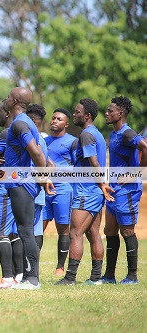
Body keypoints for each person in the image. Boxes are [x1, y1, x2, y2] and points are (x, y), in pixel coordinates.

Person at [56, 98, 113, 286]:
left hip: (85, 191)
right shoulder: (95, 133)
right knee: (94, 233)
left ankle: (70, 277)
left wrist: (102, 184)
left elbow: (94, 162)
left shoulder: (87, 135)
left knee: (75, 233)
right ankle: (96, 278)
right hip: (94, 192)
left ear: (87, 115)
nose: (74, 114)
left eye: (77, 112)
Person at [4, 87, 49, 290]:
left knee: (25, 231)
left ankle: (32, 279)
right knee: (25, 230)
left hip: (21, 182)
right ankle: (27, 279)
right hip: (21, 181)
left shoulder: (20, 123)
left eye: (8, 97)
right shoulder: (26, 122)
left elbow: (37, 153)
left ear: (14, 101)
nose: (5, 99)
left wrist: (44, 177)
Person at [102, 96, 147, 285]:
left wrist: (135, 173)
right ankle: (109, 276)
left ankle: (132, 276)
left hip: (127, 190)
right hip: (114, 189)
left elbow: (146, 148)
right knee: (110, 231)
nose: (106, 113)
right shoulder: (114, 133)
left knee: (127, 231)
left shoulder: (127, 133)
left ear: (120, 113)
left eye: (110, 111)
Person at [0, 99, 24, 288]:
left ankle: (8, 279)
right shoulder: (23, 129)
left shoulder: (6, 133)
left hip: (6, 190)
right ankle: (19, 275)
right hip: (20, 189)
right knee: (15, 233)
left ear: (7, 114)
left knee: (0, 234)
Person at [43, 108, 78, 276]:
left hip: (64, 189)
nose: (55, 121)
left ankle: (60, 267)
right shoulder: (43, 141)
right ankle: (31, 266)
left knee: (63, 229)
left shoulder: (73, 142)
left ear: (66, 124)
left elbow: (78, 167)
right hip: (43, 189)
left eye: (59, 119)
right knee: (37, 228)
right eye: (53, 117)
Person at [26, 103, 52, 252]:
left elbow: (38, 160)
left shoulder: (31, 139)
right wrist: (45, 178)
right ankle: (33, 269)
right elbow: (51, 165)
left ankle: (25, 269)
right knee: (36, 229)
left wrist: (40, 178)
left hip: (29, 190)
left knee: (25, 229)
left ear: (33, 120)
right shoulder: (41, 139)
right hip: (39, 191)